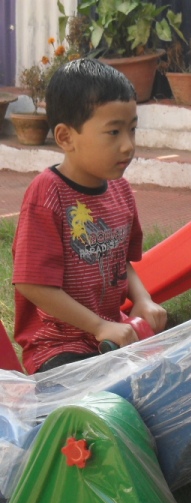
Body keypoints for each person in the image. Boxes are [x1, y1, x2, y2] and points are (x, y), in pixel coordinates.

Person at [12, 58, 167, 374]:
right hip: (58, 346)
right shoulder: (48, 194)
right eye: (113, 132)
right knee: (101, 397)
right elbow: (31, 283)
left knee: (171, 370)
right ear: (66, 137)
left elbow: (120, 261)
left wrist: (143, 299)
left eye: (132, 130)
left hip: (112, 335)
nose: (128, 146)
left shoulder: (120, 189)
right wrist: (98, 326)